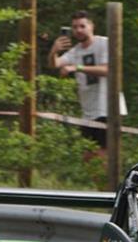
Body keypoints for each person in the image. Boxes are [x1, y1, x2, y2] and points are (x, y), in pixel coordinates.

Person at [49, 10, 128, 161]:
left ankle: (112, 185)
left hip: (107, 108)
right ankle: (102, 186)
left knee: (104, 155)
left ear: (91, 26)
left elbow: (107, 70)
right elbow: (55, 64)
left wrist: (76, 68)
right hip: (89, 112)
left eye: (82, 26)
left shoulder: (104, 43)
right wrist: (54, 51)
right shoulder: (75, 51)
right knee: (88, 157)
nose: (78, 30)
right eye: (75, 27)